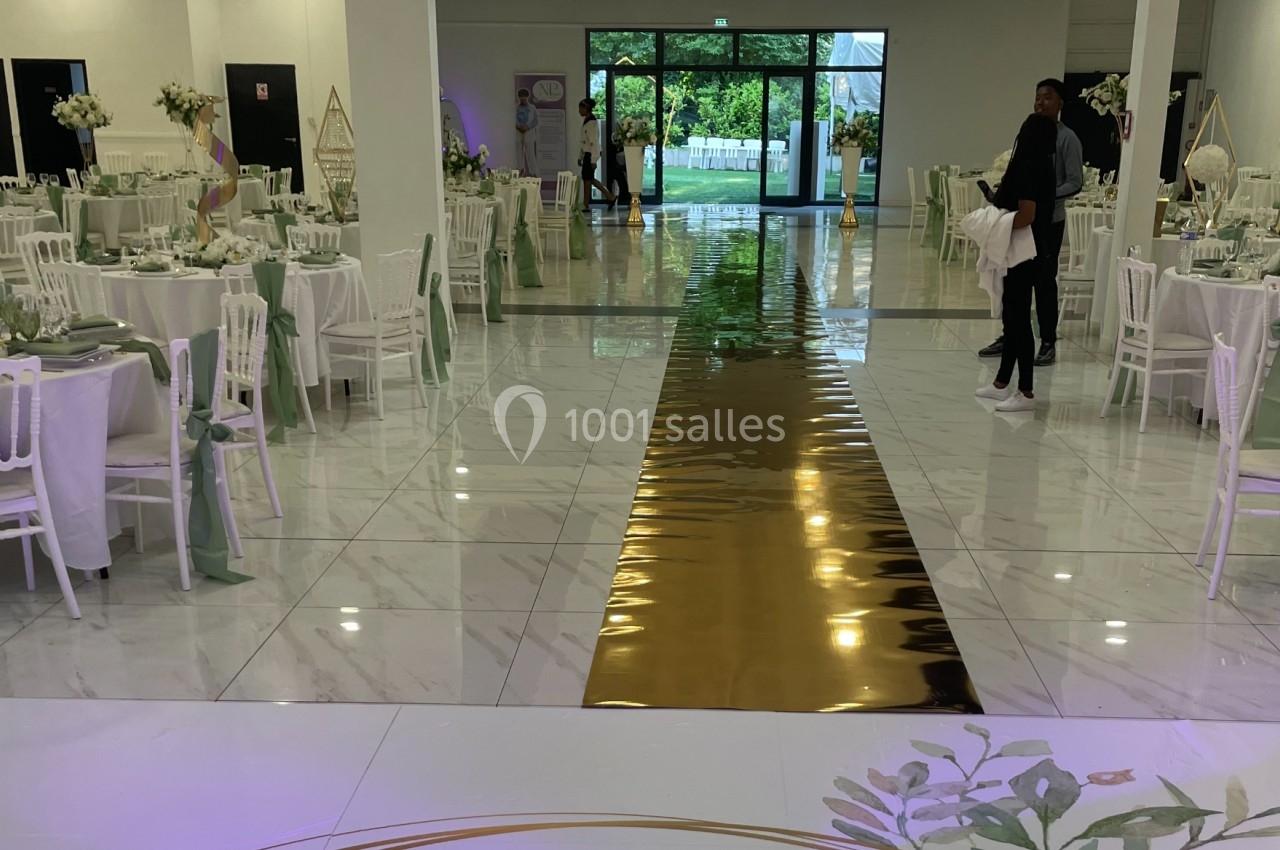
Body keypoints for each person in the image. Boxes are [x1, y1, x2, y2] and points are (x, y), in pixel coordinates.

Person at [979, 78, 1084, 366]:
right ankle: (1010, 335)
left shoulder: (1067, 139)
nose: (1040, 102)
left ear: (1060, 102)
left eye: (1047, 97)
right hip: (1023, 219)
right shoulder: (1031, 133)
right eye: (1038, 97)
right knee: (1014, 280)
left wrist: (1042, 195)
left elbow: (1075, 182)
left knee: (1044, 281)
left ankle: (1048, 341)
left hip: (1048, 222)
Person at [975, 112, 1058, 412]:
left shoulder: (1028, 167)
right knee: (1012, 318)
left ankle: (1026, 390)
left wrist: (997, 225)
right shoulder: (1045, 165)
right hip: (1035, 250)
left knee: (1018, 319)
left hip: (1023, 253)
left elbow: (1026, 215)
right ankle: (1001, 383)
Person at [578, 98, 615, 208]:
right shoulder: (587, 121)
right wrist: (580, 156)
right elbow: (584, 142)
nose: (579, 111)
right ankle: (610, 197)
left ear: (586, 108)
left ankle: (586, 204)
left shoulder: (591, 123)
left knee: (587, 180)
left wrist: (593, 159)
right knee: (589, 179)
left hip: (590, 155)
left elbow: (593, 143)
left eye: (580, 108)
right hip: (587, 154)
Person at [515, 88, 539, 178]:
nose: (523, 100)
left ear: (527, 97)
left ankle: (533, 173)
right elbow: (512, 119)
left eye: (524, 98)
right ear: (519, 98)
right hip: (518, 132)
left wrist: (528, 127)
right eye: (521, 98)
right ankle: (520, 171)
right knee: (519, 153)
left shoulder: (532, 108)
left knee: (530, 154)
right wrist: (518, 126)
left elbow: (536, 120)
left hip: (529, 132)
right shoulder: (515, 108)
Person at [605, 132, 630, 205]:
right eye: (615, 140)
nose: (617, 142)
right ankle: (621, 198)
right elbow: (612, 161)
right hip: (615, 169)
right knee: (619, 178)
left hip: (624, 167)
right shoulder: (611, 148)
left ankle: (625, 197)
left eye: (619, 141)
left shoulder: (625, 147)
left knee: (624, 179)